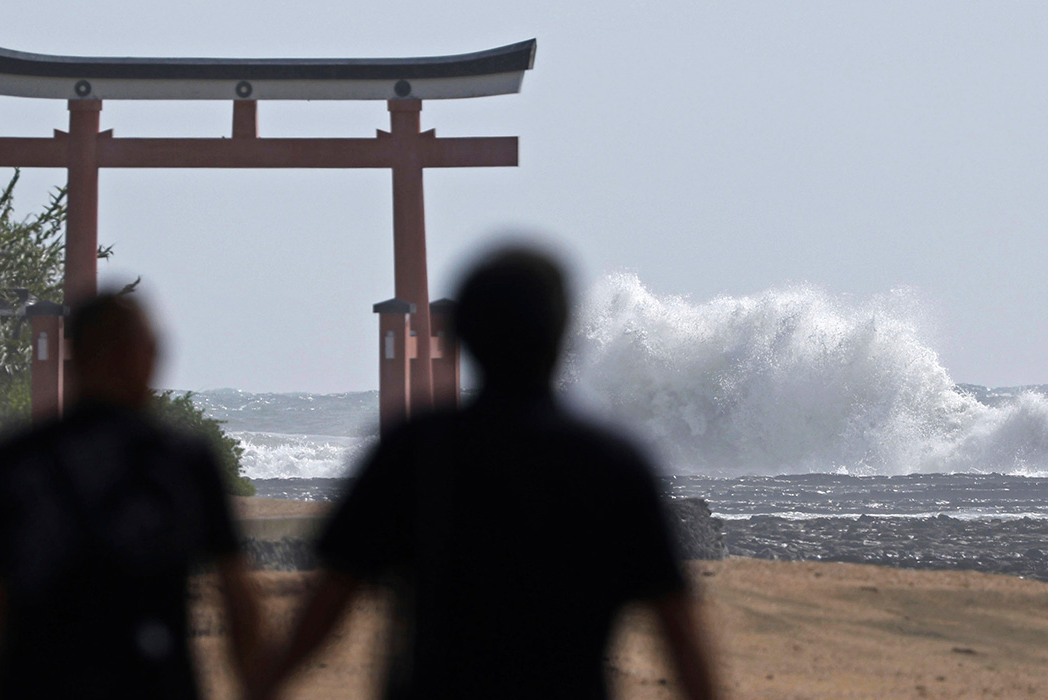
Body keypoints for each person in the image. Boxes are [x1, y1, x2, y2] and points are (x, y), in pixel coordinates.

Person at [261, 248, 719, 699]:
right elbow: (679, 633)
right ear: (564, 337)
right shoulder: (614, 464)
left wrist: (259, 685)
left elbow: (328, 604)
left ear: (460, 335)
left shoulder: (414, 451)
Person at [0, 293, 259, 700]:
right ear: (146, 355)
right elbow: (237, 600)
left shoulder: (6, 462)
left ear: (75, 356)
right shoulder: (183, 460)